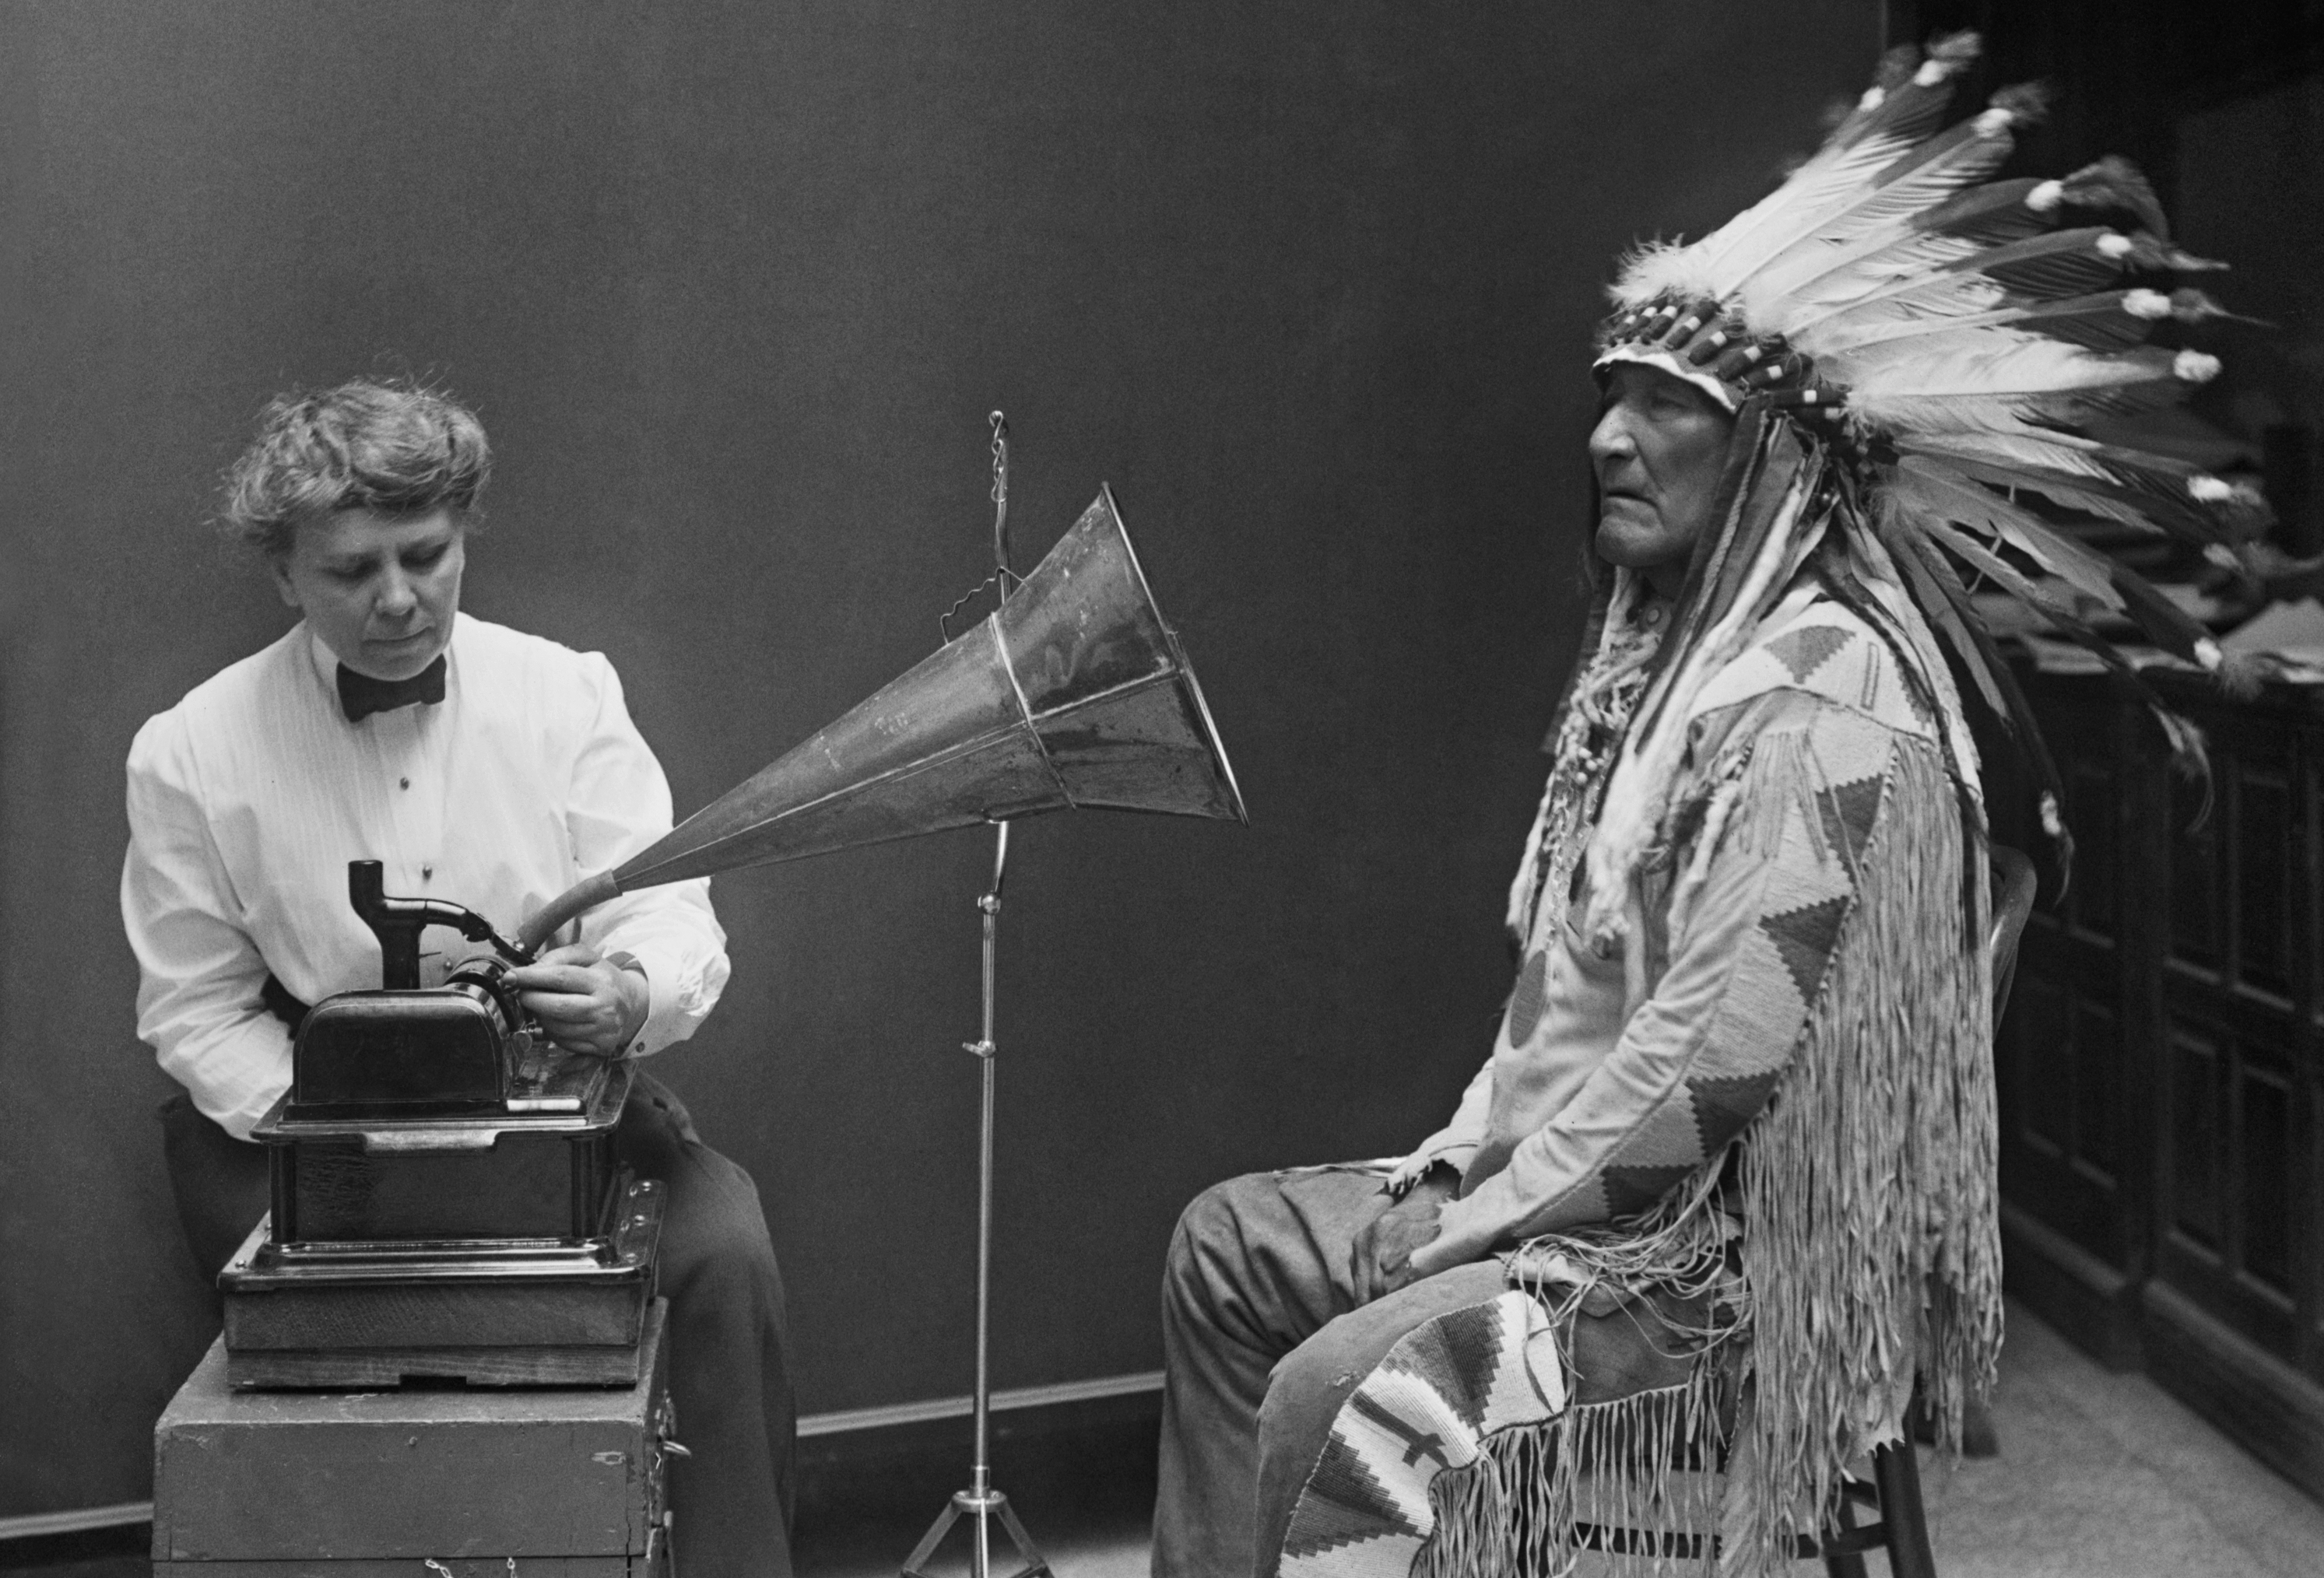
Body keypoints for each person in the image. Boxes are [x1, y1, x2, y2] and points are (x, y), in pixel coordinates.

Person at [1153, 33, 2264, 1578]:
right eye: (1606, 395)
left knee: (1351, 1405)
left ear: (1774, 461)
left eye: (1661, 404)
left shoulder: (1817, 704)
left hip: (1709, 1289)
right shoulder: (1676, 678)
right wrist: (1458, 1158)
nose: (1605, 436)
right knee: (1225, 1248)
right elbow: (1572, 993)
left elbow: (1704, 1079)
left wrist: (1478, 1227)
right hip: (1581, 1217)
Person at [123, 379, 796, 1577]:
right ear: (283, 576)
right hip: (301, 1136)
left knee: (723, 1253)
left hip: (546, 1106)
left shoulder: (566, 691)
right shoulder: (188, 750)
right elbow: (194, 1005)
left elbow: (662, 901)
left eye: (425, 555)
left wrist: (633, 994)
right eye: (350, 572)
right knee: (375, 1329)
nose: (397, 601)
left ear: (462, 531)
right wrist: (328, 1128)